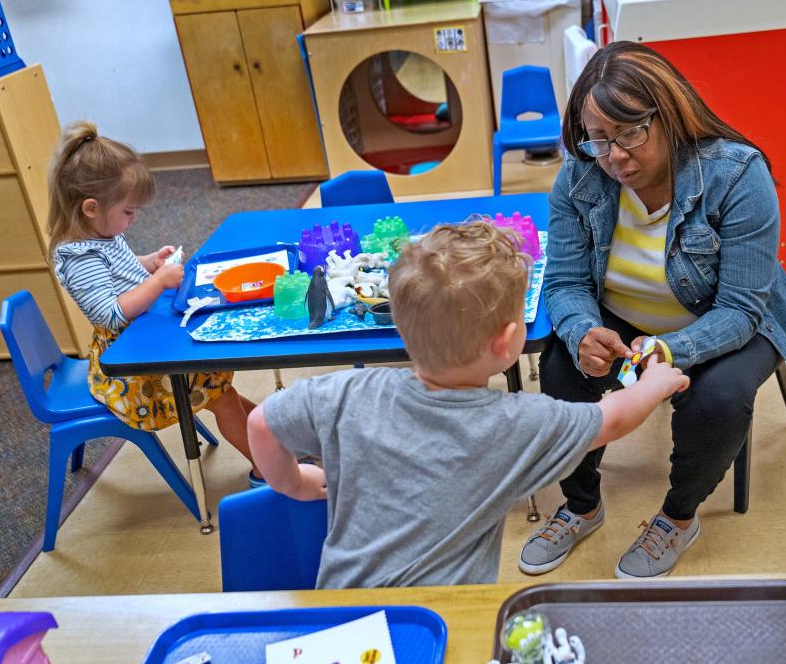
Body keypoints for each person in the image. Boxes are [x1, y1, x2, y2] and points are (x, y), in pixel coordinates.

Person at [247, 222, 689, 588]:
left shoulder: (345, 392)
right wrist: (654, 383)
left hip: (343, 615)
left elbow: (261, 422)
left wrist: (295, 484)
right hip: (446, 623)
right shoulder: (516, 423)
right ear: (506, 342)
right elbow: (612, 420)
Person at [518, 41, 786, 580]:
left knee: (717, 398)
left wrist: (668, 351)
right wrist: (584, 329)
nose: (615, 157)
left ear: (670, 114)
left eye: (630, 133)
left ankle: (678, 518)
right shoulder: (581, 175)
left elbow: (741, 307)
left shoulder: (736, 174)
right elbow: (564, 281)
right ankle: (582, 505)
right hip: (627, 318)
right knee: (561, 366)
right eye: (599, 139)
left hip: (727, 317)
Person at [47, 121, 264, 487]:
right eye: (129, 212)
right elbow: (110, 312)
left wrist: (148, 263)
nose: (133, 220)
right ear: (90, 208)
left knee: (224, 393)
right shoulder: (79, 258)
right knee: (224, 398)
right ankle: (269, 471)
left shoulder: (102, 232)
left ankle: (275, 445)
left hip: (144, 343)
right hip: (132, 369)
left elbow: (121, 273)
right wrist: (157, 282)